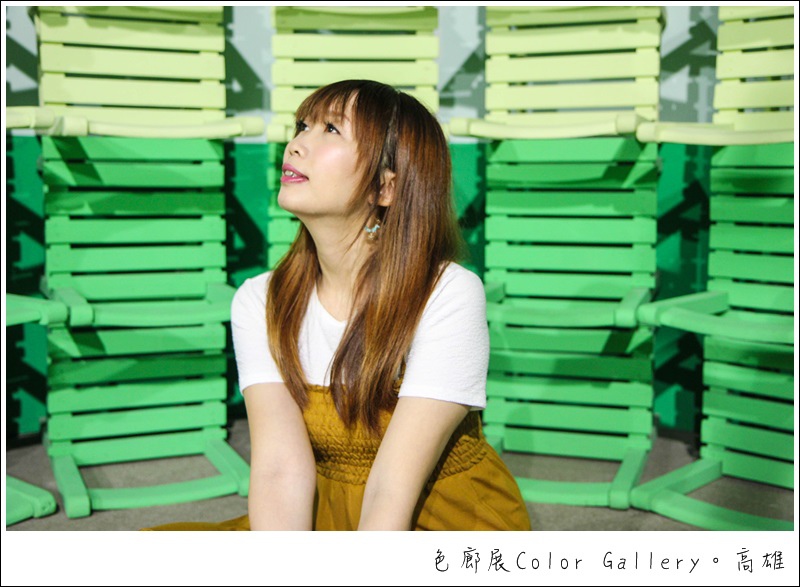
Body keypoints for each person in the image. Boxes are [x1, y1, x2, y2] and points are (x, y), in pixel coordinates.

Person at [146, 79, 530, 531]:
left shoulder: (447, 293)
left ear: (385, 187)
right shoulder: (260, 300)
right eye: (302, 126)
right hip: (325, 512)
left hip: (438, 518)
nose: (295, 145)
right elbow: (279, 471)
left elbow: (391, 487)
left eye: (330, 130)